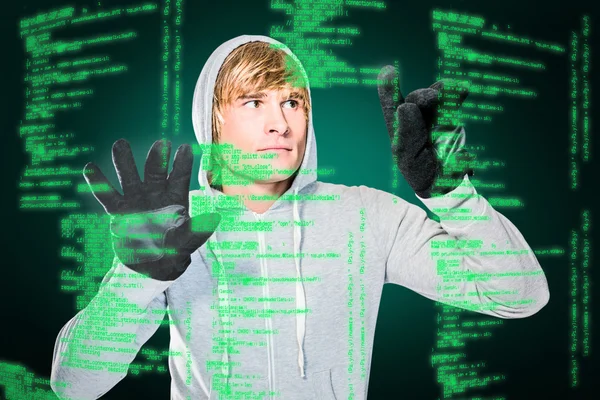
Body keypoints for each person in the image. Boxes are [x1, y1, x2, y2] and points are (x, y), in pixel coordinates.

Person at [50, 34, 550, 400]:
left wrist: (451, 194)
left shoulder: (364, 215)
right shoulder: (171, 226)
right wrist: (135, 277)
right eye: (253, 102)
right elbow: (76, 386)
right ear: (215, 118)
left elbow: (519, 295)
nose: (279, 122)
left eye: (292, 101)